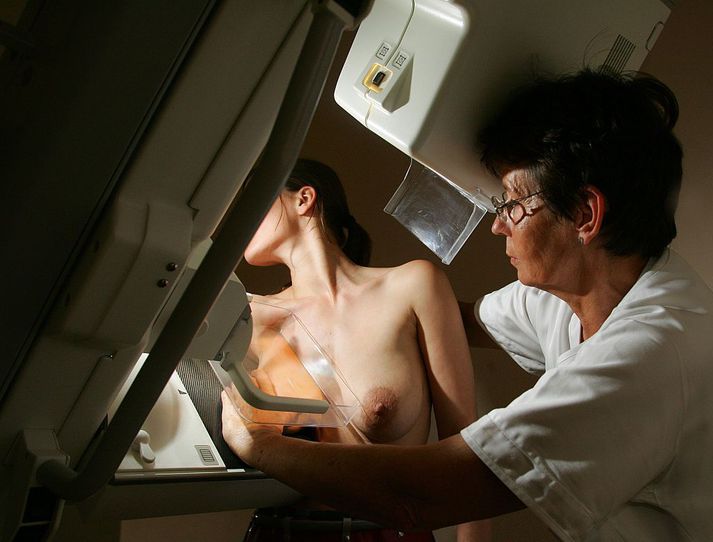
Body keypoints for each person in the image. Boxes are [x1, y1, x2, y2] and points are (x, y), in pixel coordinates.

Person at [223, 68, 713, 541]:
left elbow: (422, 498)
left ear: (585, 214)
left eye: (512, 205)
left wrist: (255, 444)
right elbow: (451, 319)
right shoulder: (565, 295)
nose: (499, 225)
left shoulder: (647, 353)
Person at [232, 158, 485, 540]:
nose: (241, 217)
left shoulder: (413, 286)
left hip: (386, 534)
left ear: (303, 199)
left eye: (255, 198)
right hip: (280, 532)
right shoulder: (251, 317)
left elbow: (467, 456)